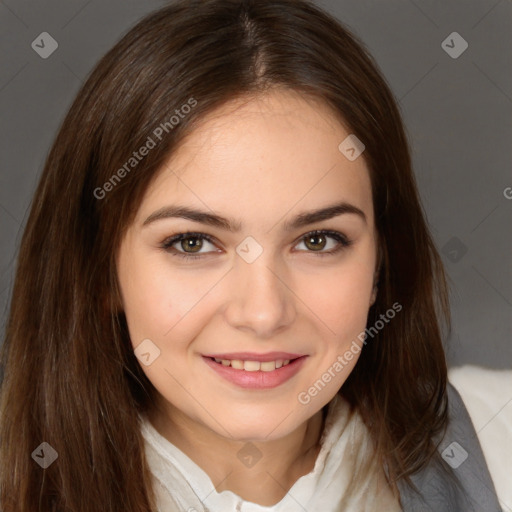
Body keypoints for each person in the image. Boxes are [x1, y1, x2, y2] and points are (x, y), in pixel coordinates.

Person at [0, 0, 502, 511]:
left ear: (381, 263)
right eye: (192, 243)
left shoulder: (499, 445)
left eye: (317, 240)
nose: (263, 313)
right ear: (101, 271)